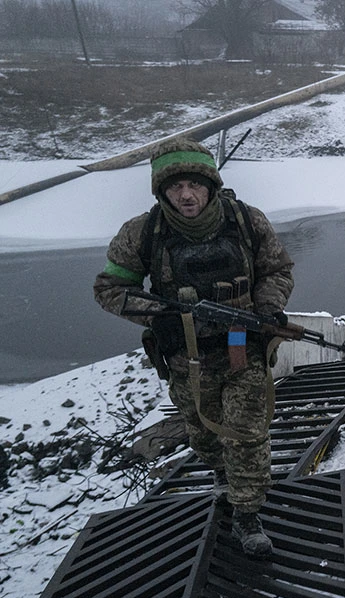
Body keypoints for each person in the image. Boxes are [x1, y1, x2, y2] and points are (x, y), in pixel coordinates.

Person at [94, 138, 294, 557]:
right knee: (204, 435)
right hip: (187, 358)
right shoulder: (141, 233)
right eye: (175, 186)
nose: (186, 195)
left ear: (211, 185)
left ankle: (246, 513)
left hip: (243, 348)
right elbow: (111, 289)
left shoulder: (246, 220)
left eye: (195, 185)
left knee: (246, 434)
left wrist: (269, 307)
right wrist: (164, 314)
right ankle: (225, 475)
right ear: (161, 191)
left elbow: (276, 269)